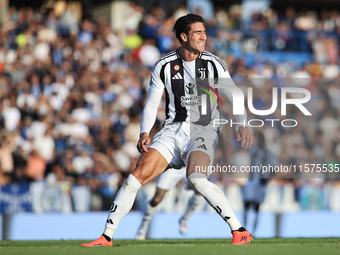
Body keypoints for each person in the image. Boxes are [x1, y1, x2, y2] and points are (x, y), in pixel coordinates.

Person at [80, 13, 254, 247]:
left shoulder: (213, 63)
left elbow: (234, 94)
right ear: (184, 36)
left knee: (196, 179)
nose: (204, 36)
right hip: (172, 131)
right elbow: (152, 103)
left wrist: (243, 124)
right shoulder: (164, 65)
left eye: (204, 32)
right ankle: (106, 236)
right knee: (136, 176)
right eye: (198, 33)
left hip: (204, 130)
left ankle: (239, 231)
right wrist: (145, 132)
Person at [135, 166, 202, 240]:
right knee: (156, 199)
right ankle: (143, 227)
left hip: (188, 165)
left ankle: (185, 218)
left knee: (199, 190)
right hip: (172, 166)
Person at [242, 132, 279, 236]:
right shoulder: (252, 150)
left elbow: (274, 166)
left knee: (256, 207)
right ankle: (244, 229)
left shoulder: (268, 153)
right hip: (250, 179)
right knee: (247, 204)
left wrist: (267, 177)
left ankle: (253, 231)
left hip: (261, 181)